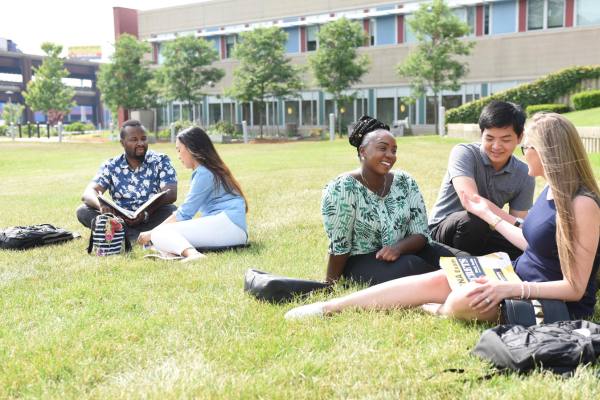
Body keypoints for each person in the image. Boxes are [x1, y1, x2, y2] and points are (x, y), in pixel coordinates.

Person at [285, 113, 600, 321]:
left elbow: (574, 288)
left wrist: (510, 289)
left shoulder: (583, 204)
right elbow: (531, 242)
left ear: (546, 150)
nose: (521, 153)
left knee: (465, 297)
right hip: (518, 276)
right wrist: (492, 221)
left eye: (525, 146)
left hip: (558, 304)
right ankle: (329, 308)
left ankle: (442, 311)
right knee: (441, 276)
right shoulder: (550, 191)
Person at [321, 115, 466, 286]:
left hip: (406, 250)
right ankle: (448, 284)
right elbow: (340, 246)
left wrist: (398, 248)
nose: (390, 155)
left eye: (394, 150)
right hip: (363, 260)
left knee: (463, 261)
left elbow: (420, 233)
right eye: (383, 148)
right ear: (363, 151)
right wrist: (330, 285)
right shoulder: (342, 188)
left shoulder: (405, 181)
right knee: (413, 266)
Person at [428, 101, 535, 259]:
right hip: (444, 229)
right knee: (474, 221)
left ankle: (476, 261)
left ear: (520, 137)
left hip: (485, 229)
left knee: (524, 248)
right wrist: (518, 224)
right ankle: (466, 266)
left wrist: (522, 230)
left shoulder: (524, 173)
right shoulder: (464, 153)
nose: (496, 146)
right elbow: (472, 202)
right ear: (481, 134)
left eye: (505, 140)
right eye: (489, 138)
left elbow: (516, 224)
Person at [137, 126, 248, 262]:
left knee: (160, 233)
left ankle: (193, 255)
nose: (178, 156)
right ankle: (170, 253)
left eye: (179, 150)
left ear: (190, 148)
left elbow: (184, 213)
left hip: (229, 227)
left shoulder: (204, 172)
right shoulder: (208, 170)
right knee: (158, 236)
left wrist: (151, 233)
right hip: (231, 229)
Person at [76, 120, 178, 241]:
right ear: (122, 143)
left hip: (151, 215)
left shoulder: (160, 160)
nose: (140, 143)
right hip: (119, 220)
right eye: (134, 139)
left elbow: (171, 194)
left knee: (172, 211)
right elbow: (88, 193)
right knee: (83, 211)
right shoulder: (111, 165)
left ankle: (124, 236)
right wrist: (101, 207)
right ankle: (137, 236)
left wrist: (146, 213)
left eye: (143, 138)